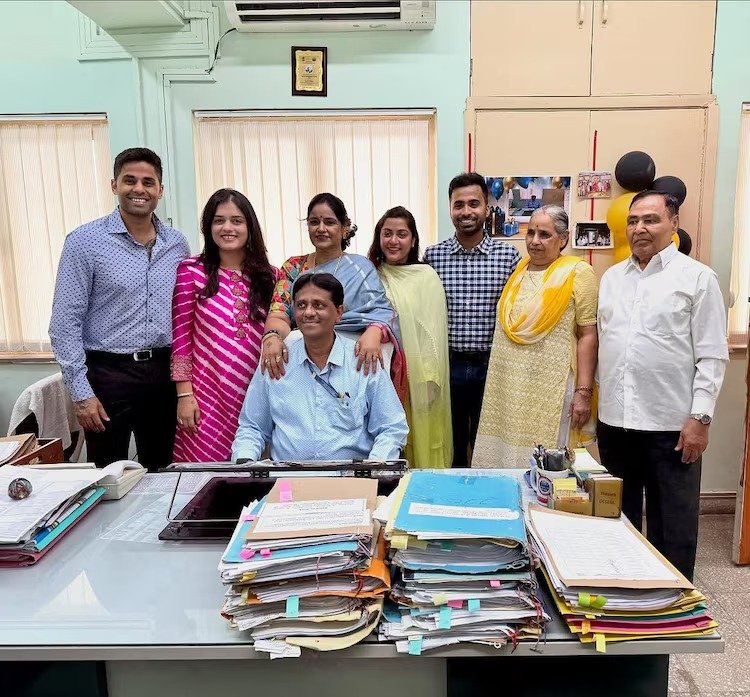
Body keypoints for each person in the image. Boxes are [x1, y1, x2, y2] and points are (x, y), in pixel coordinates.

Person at [597, 190, 728, 581]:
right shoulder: (611, 279)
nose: (640, 228)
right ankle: (625, 592)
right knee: (616, 521)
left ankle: (674, 599)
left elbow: (712, 355)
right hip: (616, 424)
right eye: (633, 220)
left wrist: (700, 418)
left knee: (672, 524)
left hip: (671, 426)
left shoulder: (697, 278)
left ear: (673, 224)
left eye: (651, 219)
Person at [49, 148, 189, 470]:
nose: (139, 189)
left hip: (162, 372)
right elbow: (64, 323)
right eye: (130, 180)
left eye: (148, 182)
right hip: (108, 374)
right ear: (114, 185)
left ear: (160, 190)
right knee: (108, 474)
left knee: (162, 470)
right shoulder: (84, 241)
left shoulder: (177, 244)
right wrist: (81, 394)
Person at [231, 273, 408, 462]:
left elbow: (391, 427)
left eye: (318, 305)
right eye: (301, 305)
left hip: (350, 476)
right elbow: (252, 428)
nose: (308, 312)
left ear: (339, 312)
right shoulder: (276, 360)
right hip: (286, 478)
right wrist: (245, 462)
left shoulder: (362, 359)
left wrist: (374, 467)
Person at [472, 205, 598, 468]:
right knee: (506, 456)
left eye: (544, 234)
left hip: (551, 386)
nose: (534, 241)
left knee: (547, 462)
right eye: (531, 233)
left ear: (563, 239)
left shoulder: (578, 272)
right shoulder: (520, 270)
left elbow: (588, 334)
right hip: (509, 385)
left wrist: (583, 392)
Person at [170, 189, 281, 462]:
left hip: (259, 393)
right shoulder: (190, 271)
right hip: (206, 397)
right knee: (207, 474)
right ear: (208, 227)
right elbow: (181, 338)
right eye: (219, 220)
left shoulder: (271, 276)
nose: (227, 228)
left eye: (236, 221)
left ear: (249, 227)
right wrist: (184, 395)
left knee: (256, 470)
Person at [260, 193, 404, 395]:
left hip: (351, 362)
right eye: (314, 222)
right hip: (304, 360)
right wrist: (272, 337)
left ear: (344, 229)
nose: (321, 228)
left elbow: (382, 311)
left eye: (329, 222)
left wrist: (374, 332)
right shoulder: (294, 267)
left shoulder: (360, 268)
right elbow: (279, 313)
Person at [424, 173, 521, 467]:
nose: (466, 211)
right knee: (450, 442)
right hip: (447, 364)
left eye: (474, 204)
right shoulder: (433, 257)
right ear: (450, 208)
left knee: (488, 444)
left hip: (492, 364)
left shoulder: (508, 257)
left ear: (487, 207)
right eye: (459, 205)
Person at [367, 206, 452, 469]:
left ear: (413, 240)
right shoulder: (369, 275)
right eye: (387, 233)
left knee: (420, 440)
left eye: (401, 234)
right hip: (379, 374)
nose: (393, 241)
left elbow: (432, 334)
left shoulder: (426, 276)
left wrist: (429, 380)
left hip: (420, 378)